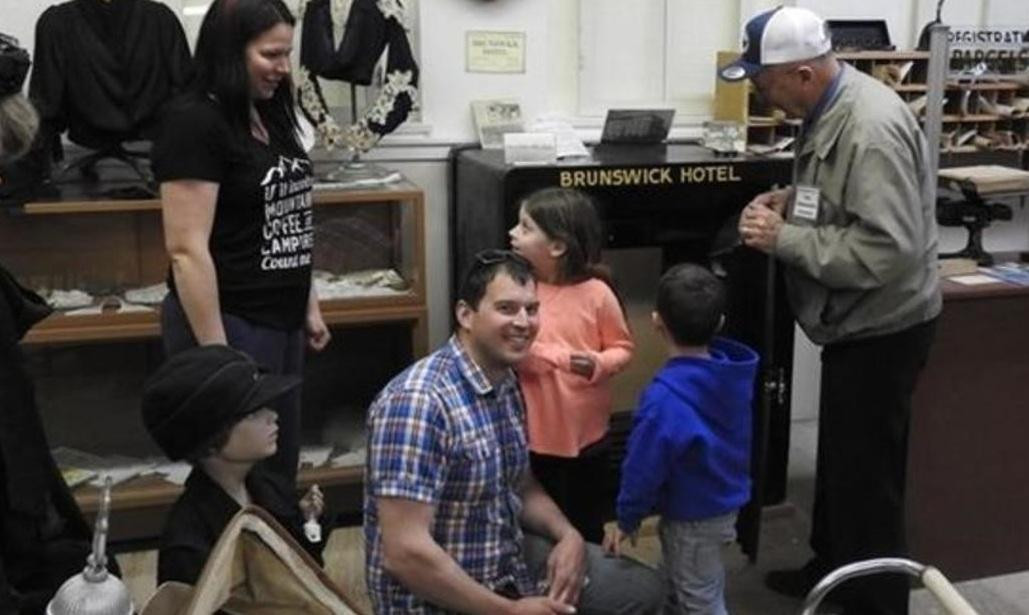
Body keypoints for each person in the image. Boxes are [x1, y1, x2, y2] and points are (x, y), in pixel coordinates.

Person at [721, 7, 941, 614]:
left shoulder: (868, 127)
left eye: (765, 81)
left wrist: (781, 240)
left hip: (886, 327)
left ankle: (877, 602)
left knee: (868, 479)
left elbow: (886, 249)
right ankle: (833, 569)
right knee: (842, 463)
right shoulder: (830, 108)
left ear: (802, 74)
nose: (763, 94)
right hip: (854, 323)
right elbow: (845, 199)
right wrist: (793, 201)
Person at [364, 250, 663, 614]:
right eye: (507, 309)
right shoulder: (418, 403)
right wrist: (508, 611)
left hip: (505, 563)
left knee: (644, 592)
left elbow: (519, 483)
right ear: (465, 315)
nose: (524, 322)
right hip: (441, 600)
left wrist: (568, 536)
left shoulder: (505, 381)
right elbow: (404, 554)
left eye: (532, 309)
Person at [152, 0, 330, 488]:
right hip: (231, 322)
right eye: (271, 54)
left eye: (287, 54)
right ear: (231, 51)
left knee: (277, 469)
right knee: (239, 476)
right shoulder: (193, 121)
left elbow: (288, 213)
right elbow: (187, 250)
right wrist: (221, 360)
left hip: (280, 318)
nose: (283, 68)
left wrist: (307, 301)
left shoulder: (271, 113)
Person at [603, 264, 758, 615]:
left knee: (698, 598)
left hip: (692, 515)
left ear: (657, 322)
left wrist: (628, 518)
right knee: (681, 583)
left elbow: (643, 468)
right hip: (724, 503)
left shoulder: (664, 400)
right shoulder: (731, 376)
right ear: (719, 324)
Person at [508, 187, 633, 544]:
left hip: (587, 436)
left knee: (585, 521)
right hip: (531, 435)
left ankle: (587, 582)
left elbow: (622, 348)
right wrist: (556, 357)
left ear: (558, 246)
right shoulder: (520, 289)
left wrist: (596, 363)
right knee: (532, 522)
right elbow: (514, 349)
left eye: (526, 227)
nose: (513, 234)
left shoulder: (597, 293)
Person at [142, 344, 325, 585]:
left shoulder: (271, 490)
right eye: (252, 413)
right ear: (210, 437)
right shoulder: (189, 543)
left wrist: (308, 523)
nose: (273, 416)